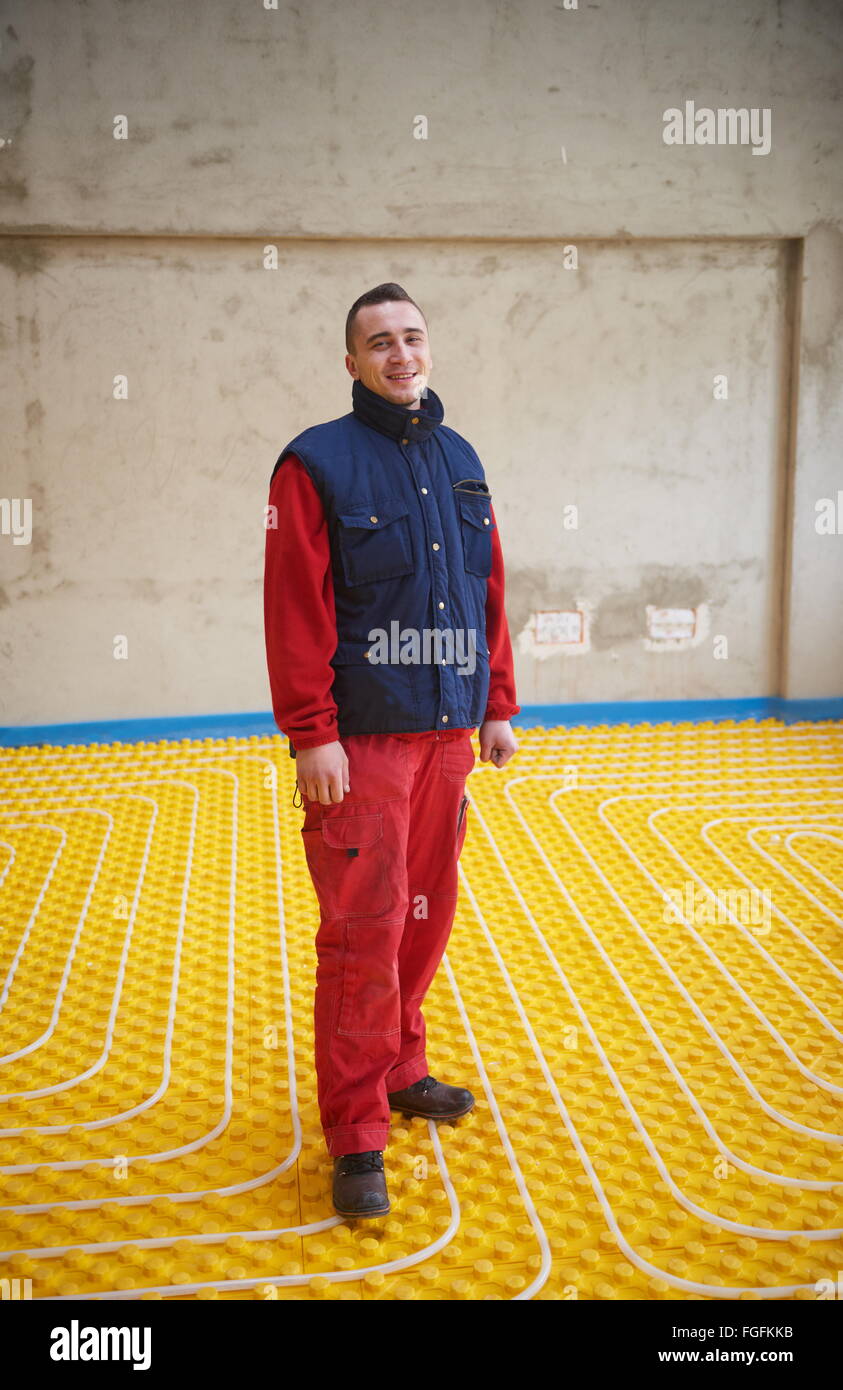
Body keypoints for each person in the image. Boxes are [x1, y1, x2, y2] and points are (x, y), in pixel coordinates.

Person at [263, 283, 520, 1218]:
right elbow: (295, 607)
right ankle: (357, 1130)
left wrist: (496, 705)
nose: (399, 354)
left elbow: (485, 589)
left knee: (423, 917)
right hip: (362, 746)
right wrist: (311, 734)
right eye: (379, 342)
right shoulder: (315, 464)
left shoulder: (460, 460)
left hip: (448, 735)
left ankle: (403, 1067)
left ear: (428, 349)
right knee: (362, 937)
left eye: (412, 336)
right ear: (351, 362)